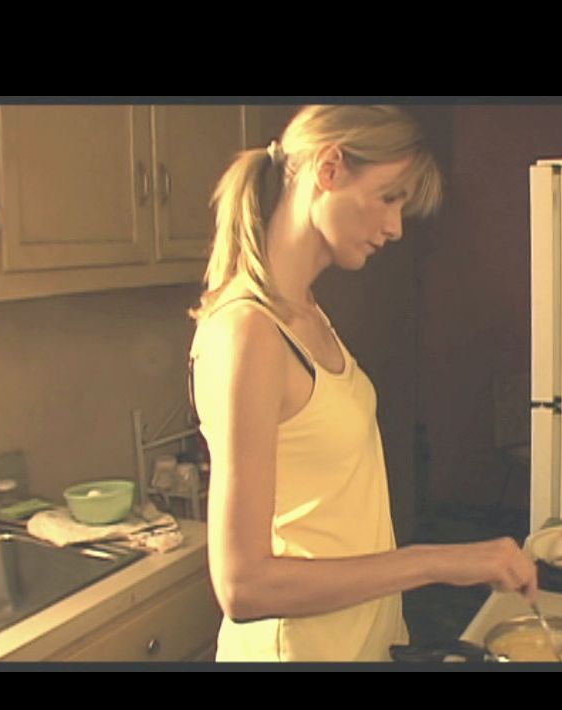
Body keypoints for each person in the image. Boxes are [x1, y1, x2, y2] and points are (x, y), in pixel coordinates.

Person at [188, 105, 538, 662]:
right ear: (329, 169)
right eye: (389, 197)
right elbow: (242, 586)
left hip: (361, 641)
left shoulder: (306, 314)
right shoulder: (247, 332)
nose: (395, 227)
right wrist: (439, 562)